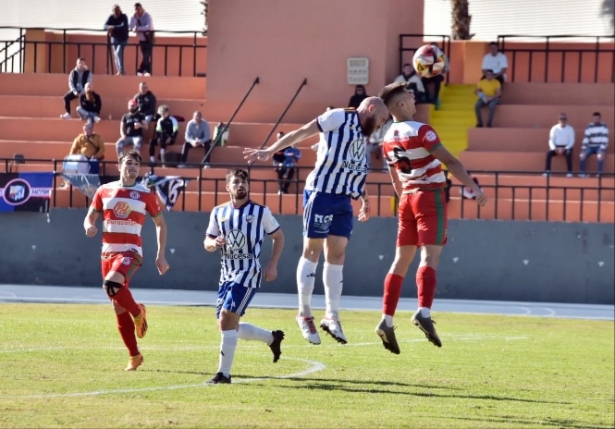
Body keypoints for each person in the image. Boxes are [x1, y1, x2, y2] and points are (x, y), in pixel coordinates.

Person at [244, 97, 389, 345]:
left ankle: (331, 316)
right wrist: (271, 150)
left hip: (344, 198)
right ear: (371, 109)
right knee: (312, 250)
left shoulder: (362, 133)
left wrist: (364, 196)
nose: (381, 126)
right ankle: (304, 313)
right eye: (382, 120)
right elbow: (302, 132)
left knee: (338, 254)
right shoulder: (339, 116)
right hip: (321, 193)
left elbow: (352, 166)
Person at [375, 82, 487, 354]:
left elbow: (394, 177)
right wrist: (474, 187)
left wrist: (404, 200)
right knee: (430, 257)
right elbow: (451, 162)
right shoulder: (421, 130)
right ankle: (423, 311)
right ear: (401, 105)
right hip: (429, 197)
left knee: (401, 260)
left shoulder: (387, 137)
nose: (415, 101)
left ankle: (386, 319)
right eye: (411, 98)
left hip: (406, 199)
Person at [83, 150, 169, 371]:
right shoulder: (104, 190)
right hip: (107, 252)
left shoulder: (146, 194)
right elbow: (91, 216)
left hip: (131, 252)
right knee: (116, 304)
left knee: (111, 285)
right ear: (119, 165)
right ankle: (134, 356)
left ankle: (139, 312)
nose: (133, 167)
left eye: (136, 164)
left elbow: (160, 224)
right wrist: (89, 225)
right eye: (129, 163)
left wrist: (160, 255)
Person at [204, 168, 285, 384]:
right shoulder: (218, 212)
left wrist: (272, 265)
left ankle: (224, 374)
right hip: (226, 274)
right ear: (227, 187)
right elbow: (207, 241)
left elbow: (279, 237)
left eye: (244, 182)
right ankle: (272, 338)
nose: (241, 185)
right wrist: (214, 243)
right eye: (236, 182)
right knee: (227, 326)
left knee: (226, 318)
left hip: (248, 272)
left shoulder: (261, 212)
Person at [579, 112, 610, 178]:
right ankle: (582, 173)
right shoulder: (589, 126)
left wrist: (602, 150)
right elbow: (586, 138)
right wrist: (583, 149)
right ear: (593, 119)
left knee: (600, 156)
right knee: (582, 156)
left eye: (597, 118)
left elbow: (605, 138)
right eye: (595, 118)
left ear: (600, 119)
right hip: (591, 147)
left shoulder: (604, 126)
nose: (596, 120)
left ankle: (599, 174)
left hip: (600, 146)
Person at [544, 113, 575, 177]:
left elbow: (572, 141)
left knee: (569, 154)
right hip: (556, 147)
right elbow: (551, 140)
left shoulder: (570, 129)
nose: (562, 120)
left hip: (566, 147)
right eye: (561, 118)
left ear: (566, 120)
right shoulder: (554, 128)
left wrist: (565, 148)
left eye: (564, 119)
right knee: (548, 153)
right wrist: (554, 148)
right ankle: (547, 171)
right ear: (558, 120)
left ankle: (569, 172)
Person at [421, 43, 450, 109]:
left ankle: (436, 98)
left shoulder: (442, 56)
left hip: (439, 74)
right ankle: (426, 96)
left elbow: (447, 68)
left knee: (437, 81)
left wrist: (441, 70)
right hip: (429, 74)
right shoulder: (426, 56)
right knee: (423, 80)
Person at [104, 4, 129, 75]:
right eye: (115, 11)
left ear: (120, 10)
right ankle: (119, 70)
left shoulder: (124, 16)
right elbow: (104, 26)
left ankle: (121, 71)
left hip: (123, 39)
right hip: (114, 39)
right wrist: (109, 27)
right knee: (116, 55)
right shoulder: (111, 17)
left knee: (118, 52)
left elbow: (124, 26)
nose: (117, 13)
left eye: (118, 11)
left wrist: (113, 27)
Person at [130, 3, 154, 76]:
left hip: (149, 39)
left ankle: (140, 71)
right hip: (141, 39)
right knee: (145, 56)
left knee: (146, 56)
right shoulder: (135, 17)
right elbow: (131, 26)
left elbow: (149, 27)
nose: (138, 11)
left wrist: (139, 28)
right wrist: (134, 18)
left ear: (141, 8)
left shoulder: (147, 16)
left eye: (139, 9)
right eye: (136, 9)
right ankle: (147, 71)